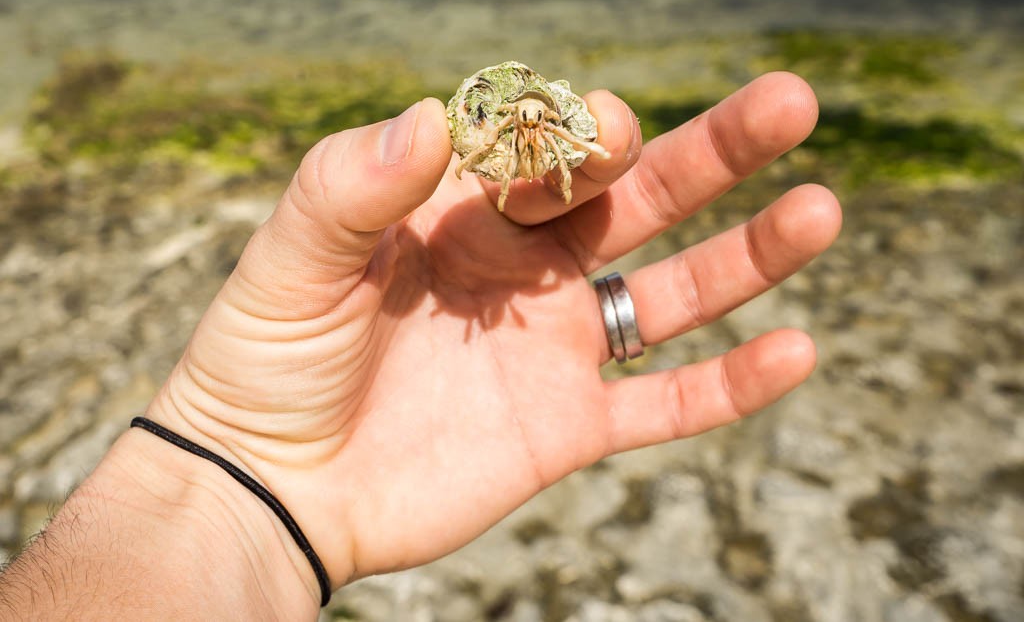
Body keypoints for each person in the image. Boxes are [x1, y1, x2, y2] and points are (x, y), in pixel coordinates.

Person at [0, 71, 841, 620]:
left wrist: (236, 492)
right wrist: (242, 467)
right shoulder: (483, 135)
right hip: (500, 124)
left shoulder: (535, 129)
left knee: (604, 138)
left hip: (524, 124)